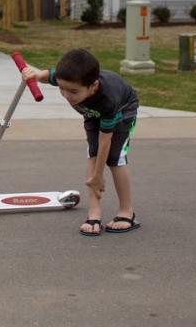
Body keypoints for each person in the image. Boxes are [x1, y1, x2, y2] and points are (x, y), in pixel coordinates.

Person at [21, 49, 140, 236]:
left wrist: (99, 176)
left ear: (93, 86)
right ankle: (94, 212)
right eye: (62, 89)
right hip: (91, 112)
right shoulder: (68, 79)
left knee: (115, 159)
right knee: (91, 153)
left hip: (122, 111)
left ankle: (127, 212)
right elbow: (48, 75)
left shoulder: (108, 99)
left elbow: (105, 141)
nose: (67, 95)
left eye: (73, 91)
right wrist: (34, 75)